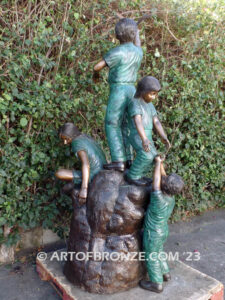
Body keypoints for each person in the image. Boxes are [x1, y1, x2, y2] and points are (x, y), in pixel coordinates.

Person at [93, 18, 143, 172]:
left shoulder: (118, 51)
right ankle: (128, 159)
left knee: (112, 123)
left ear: (117, 35)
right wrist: (137, 35)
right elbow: (138, 44)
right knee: (127, 125)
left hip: (119, 90)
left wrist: (95, 75)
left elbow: (97, 66)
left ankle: (118, 159)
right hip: (133, 91)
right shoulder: (138, 51)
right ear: (133, 34)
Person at [140, 155, 184, 293]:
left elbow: (156, 182)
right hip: (163, 230)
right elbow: (163, 180)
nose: (164, 177)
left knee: (151, 256)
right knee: (159, 252)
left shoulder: (158, 198)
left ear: (164, 186)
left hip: (152, 233)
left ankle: (156, 283)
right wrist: (160, 164)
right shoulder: (171, 198)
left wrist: (158, 164)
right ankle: (165, 273)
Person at [125, 76, 171, 186]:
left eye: (155, 94)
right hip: (137, 134)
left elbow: (156, 122)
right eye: (152, 94)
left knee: (154, 156)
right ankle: (132, 176)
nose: (154, 97)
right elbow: (138, 122)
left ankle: (139, 175)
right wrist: (144, 138)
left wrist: (164, 137)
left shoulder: (150, 105)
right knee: (146, 155)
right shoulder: (135, 103)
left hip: (148, 134)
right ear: (143, 91)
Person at [55, 123, 106, 202]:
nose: (65, 142)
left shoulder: (76, 143)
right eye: (63, 139)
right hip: (103, 168)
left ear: (71, 135)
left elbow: (86, 164)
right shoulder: (84, 137)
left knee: (59, 173)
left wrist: (84, 188)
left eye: (66, 139)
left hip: (95, 173)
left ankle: (78, 183)